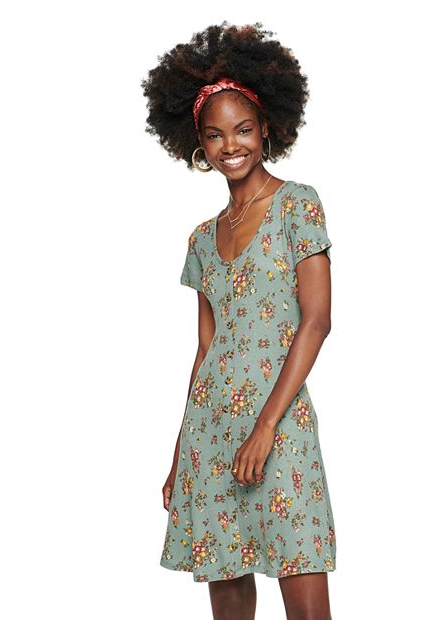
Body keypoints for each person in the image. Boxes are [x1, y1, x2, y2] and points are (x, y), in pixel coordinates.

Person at [142, 22, 337, 620]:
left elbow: (316, 321)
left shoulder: (298, 204)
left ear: (266, 128)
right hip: (211, 431)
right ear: (197, 144)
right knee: (228, 604)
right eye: (215, 134)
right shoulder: (202, 239)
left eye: (243, 129)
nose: (231, 145)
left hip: (277, 425)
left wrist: (267, 425)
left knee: (306, 594)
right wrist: (181, 452)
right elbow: (205, 352)